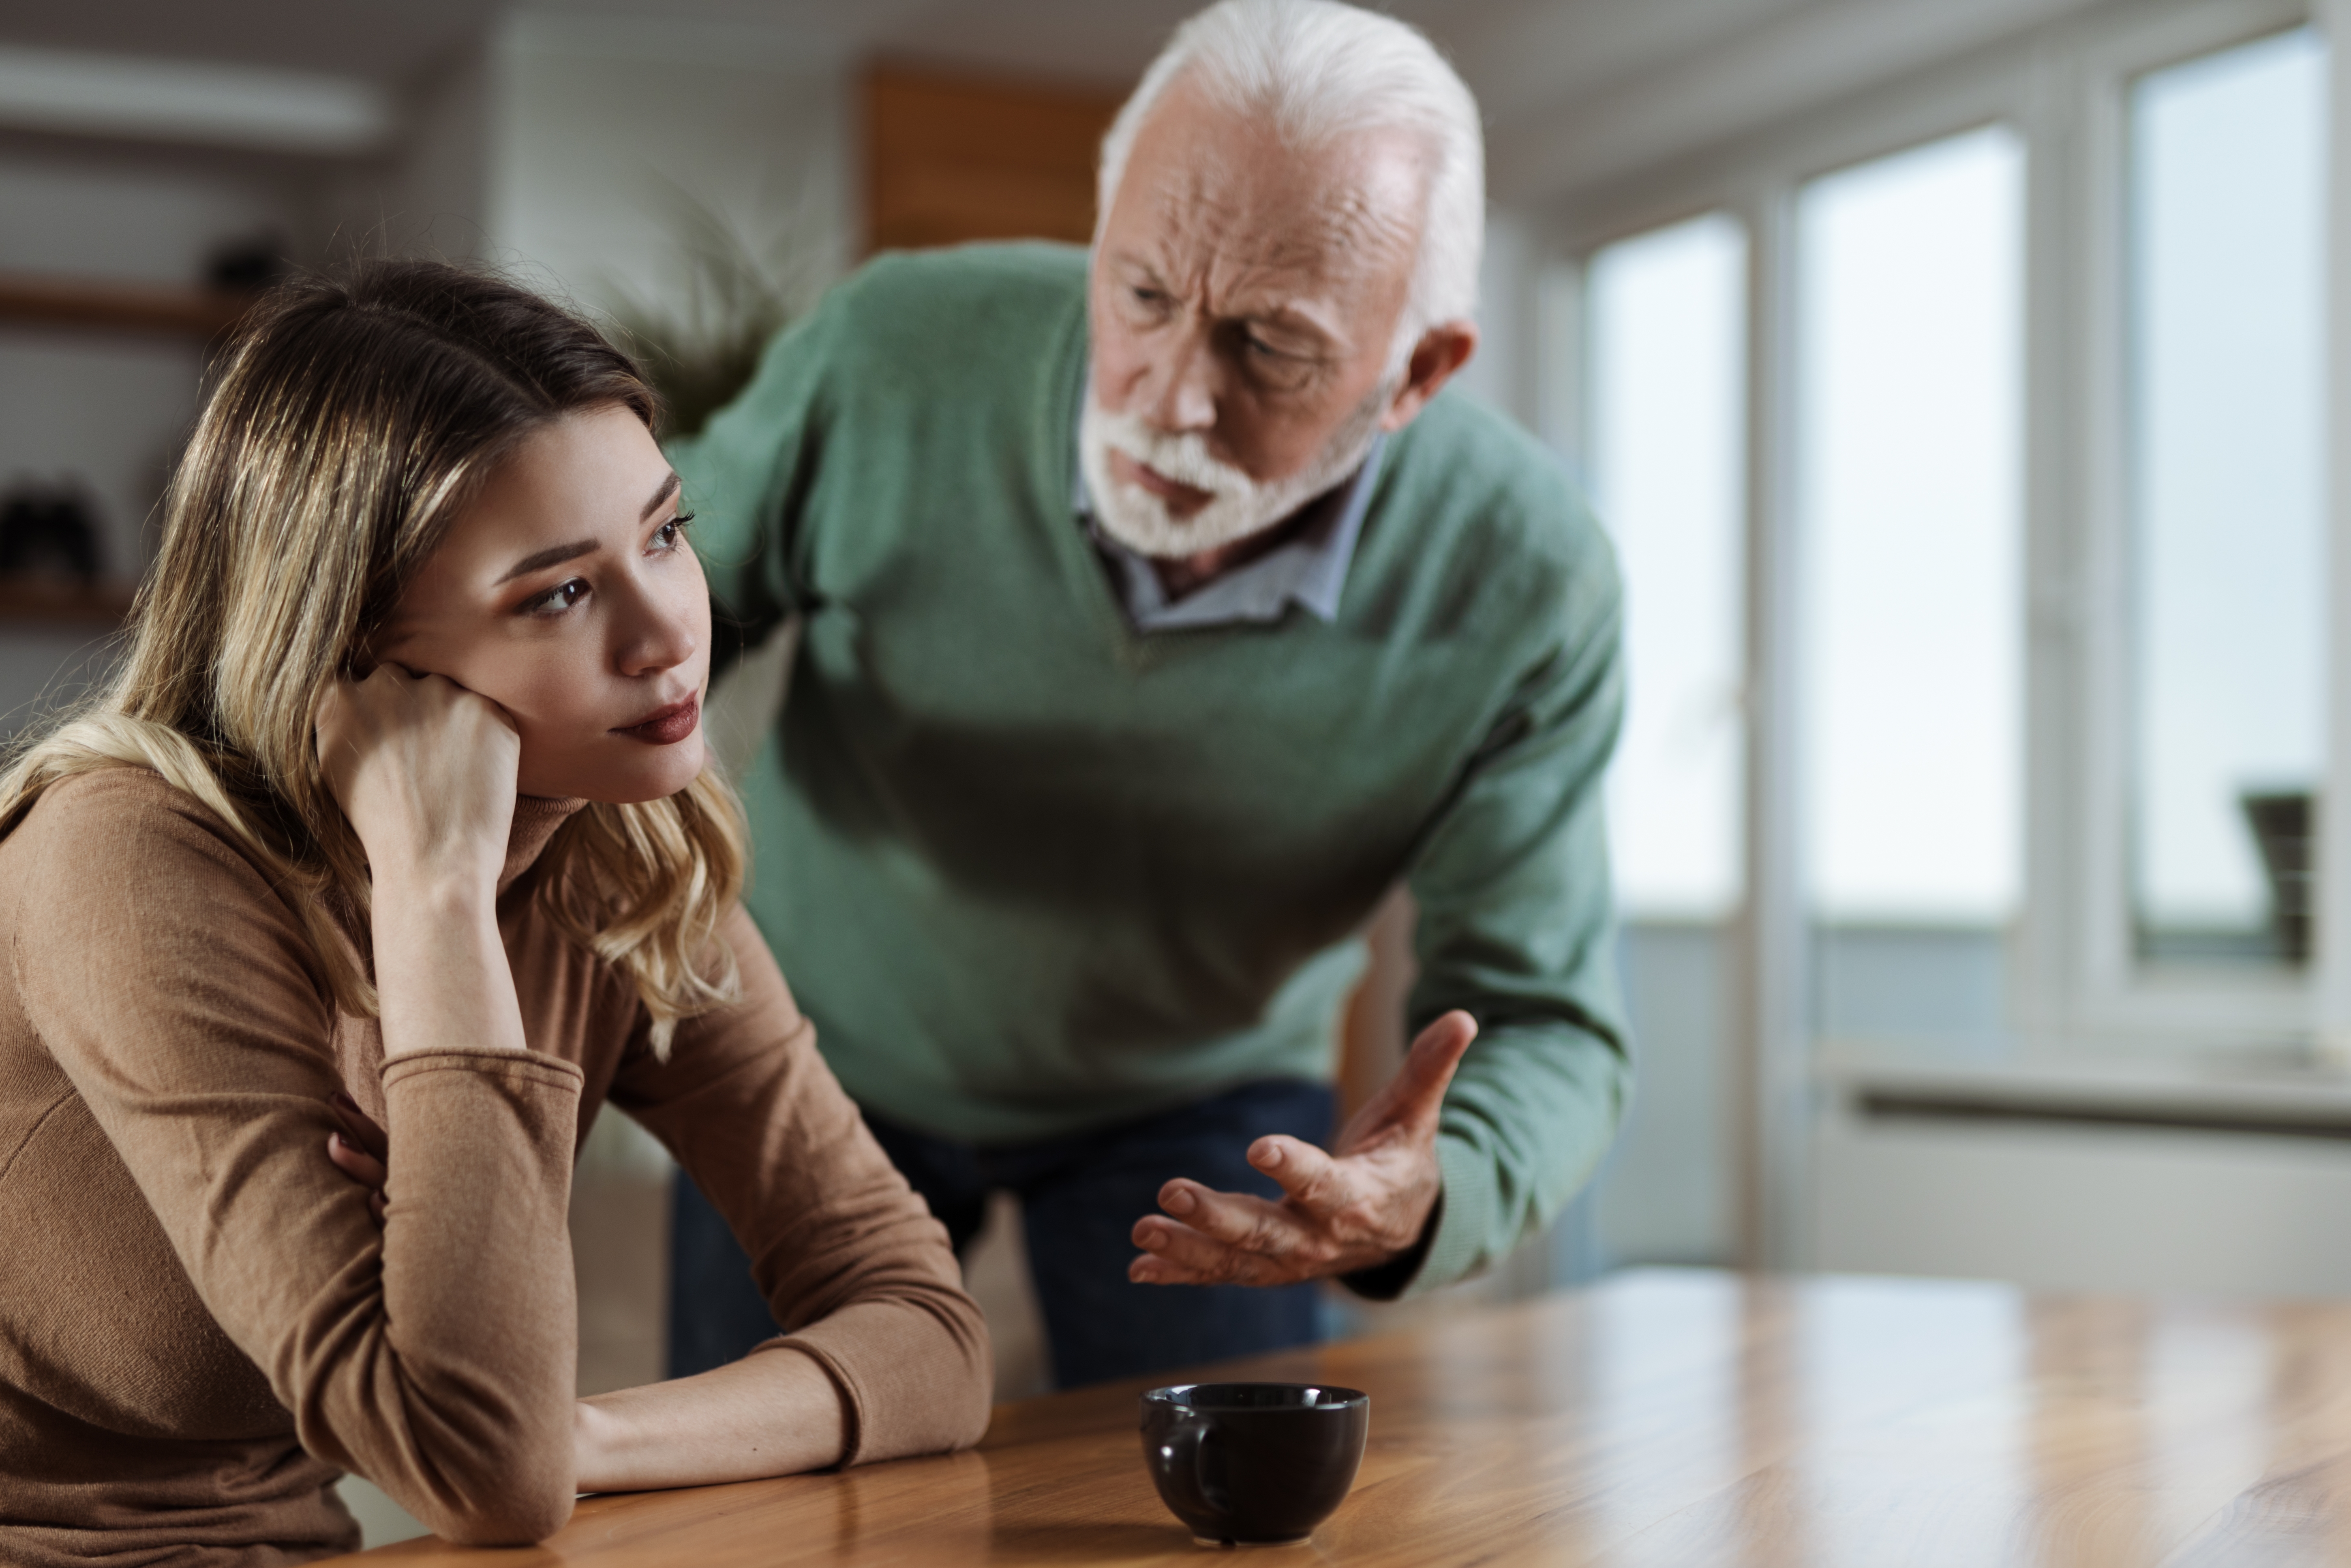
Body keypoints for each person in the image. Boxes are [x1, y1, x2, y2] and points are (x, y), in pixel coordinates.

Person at [0, 263, 990, 1568]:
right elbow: (479, 1468)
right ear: (358, 650)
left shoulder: (626, 859)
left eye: (666, 533)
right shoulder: (131, 862)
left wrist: (597, 1440)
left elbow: (922, 1328)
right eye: (560, 594)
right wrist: (436, 890)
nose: (668, 630)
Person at [668, 0, 1631, 1390]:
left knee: (1214, 1558)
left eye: (1272, 345)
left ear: (1417, 372)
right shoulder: (892, 353)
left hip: (1204, 1095)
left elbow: (1544, 1020)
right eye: (1141, 295)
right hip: (818, 1040)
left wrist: (1435, 1186)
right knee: (747, 1531)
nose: (1173, 397)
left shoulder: (1530, 578)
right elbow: (646, 595)